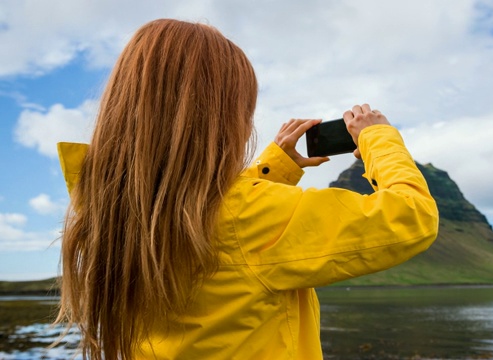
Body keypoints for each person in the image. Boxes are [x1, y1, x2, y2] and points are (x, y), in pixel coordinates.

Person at [54, 19, 438, 360]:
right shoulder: (248, 218)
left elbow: (212, 225)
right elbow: (412, 216)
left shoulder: (108, 212)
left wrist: (276, 169)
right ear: (219, 119)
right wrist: (378, 139)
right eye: (242, 108)